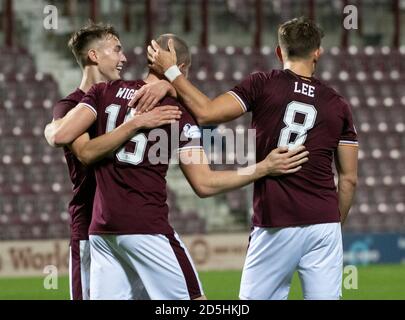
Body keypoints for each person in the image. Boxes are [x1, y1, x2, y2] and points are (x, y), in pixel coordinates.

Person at [48, 33, 309, 300]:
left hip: (101, 232)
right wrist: (263, 168)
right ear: (182, 69)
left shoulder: (102, 92)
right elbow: (204, 183)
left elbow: (65, 138)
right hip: (145, 225)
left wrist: (50, 127)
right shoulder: (175, 111)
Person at [138, 17, 359, 300]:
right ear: (318, 52)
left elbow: (205, 112)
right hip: (324, 224)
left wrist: (171, 74)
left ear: (280, 52)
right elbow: (349, 178)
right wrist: (332, 224)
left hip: (275, 223)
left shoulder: (263, 84)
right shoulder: (338, 104)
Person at [44, 23, 182, 300]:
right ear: (94, 56)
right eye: (116, 49)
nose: (124, 57)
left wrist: (168, 85)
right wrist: (136, 124)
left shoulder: (122, 94)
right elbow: (83, 152)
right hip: (90, 227)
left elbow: (184, 100)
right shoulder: (70, 106)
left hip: (128, 223)